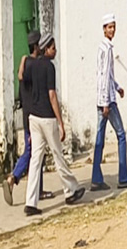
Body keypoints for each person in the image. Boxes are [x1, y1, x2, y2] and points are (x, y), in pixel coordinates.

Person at [23, 34, 85, 216]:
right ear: (46, 49)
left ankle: (30, 202)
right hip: (47, 117)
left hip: (33, 117)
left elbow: (24, 83)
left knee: (36, 160)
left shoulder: (31, 64)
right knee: (58, 155)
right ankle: (71, 190)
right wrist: (60, 121)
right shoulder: (49, 67)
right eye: (53, 47)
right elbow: (52, 95)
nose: (55, 50)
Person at [4, 31, 51, 205]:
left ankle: (38, 189)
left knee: (36, 152)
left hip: (26, 115)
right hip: (34, 116)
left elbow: (20, 78)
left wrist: (23, 59)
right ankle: (13, 177)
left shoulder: (24, 65)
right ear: (38, 46)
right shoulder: (36, 66)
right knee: (33, 151)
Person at [91, 14, 127, 191]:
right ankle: (123, 176)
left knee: (100, 138)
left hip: (105, 97)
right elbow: (103, 76)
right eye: (109, 27)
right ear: (104, 29)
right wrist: (106, 103)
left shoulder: (104, 48)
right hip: (107, 101)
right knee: (121, 135)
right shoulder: (106, 48)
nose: (112, 30)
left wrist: (117, 87)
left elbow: (108, 75)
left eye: (113, 27)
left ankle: (96, 177)